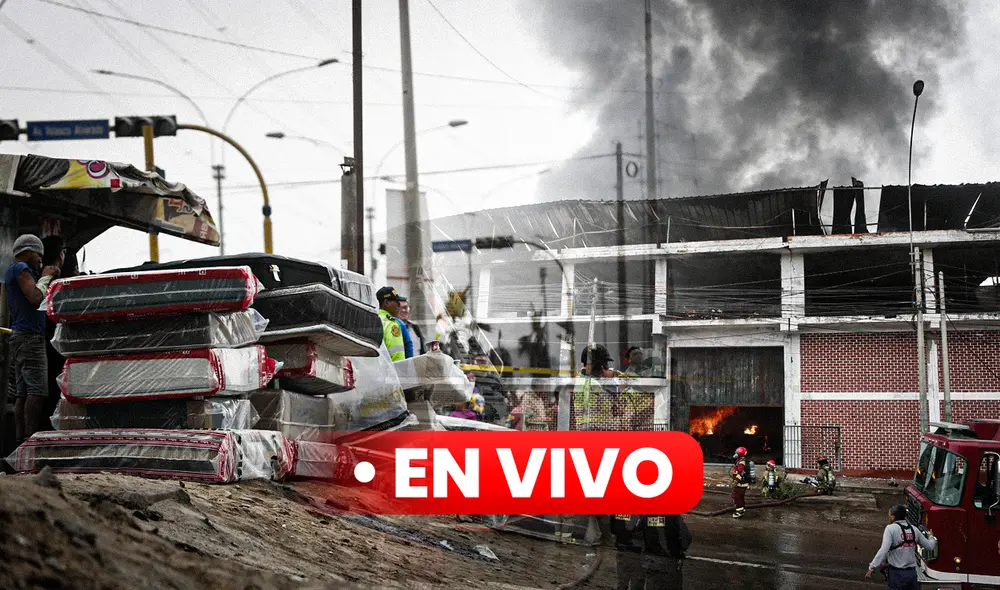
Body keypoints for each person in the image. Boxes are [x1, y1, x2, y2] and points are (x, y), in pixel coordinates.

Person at [4, 234, 60, 443]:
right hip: (29, 338)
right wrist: (46, 277)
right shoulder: (20, 269)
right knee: (36, 390)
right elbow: (36, 298)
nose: (40, 260)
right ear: (27, 251)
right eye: (38, 254)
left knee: (23, 392)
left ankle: (21, 440)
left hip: (21, 336)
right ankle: (30, 439)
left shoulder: (15, 271)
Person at [865, 504, 937, 588]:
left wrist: (872, 567)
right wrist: (931, 536)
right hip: (912, 574)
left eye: (890, 514)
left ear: (893, 517)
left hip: (896, 574)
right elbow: (930, 546)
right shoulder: (914, 529)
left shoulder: (890, 529)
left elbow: (884, 550)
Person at [610, 514, 687, 589]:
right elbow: (686, 538)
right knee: (637, 584)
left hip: (624, 551)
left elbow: (613, 529)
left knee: (623, 583)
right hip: (639, 553)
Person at [375, 286, 406, 361]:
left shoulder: (372, 318)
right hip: (388, 371)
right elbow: (397, 356)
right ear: (386, 303)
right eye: (397, 303)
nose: (399, 306)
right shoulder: (391, 324)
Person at [730, 446, 752, 518]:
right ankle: (742, 509)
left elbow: (740, 473)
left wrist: (736, 481)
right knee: (740, 497)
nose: (735, 454)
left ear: (739, 454)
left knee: (736, 496)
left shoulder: (741, 463)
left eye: (736, 453)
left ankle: (739, 512)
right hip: (742, 483)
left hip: (740, 484)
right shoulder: (740, 461)